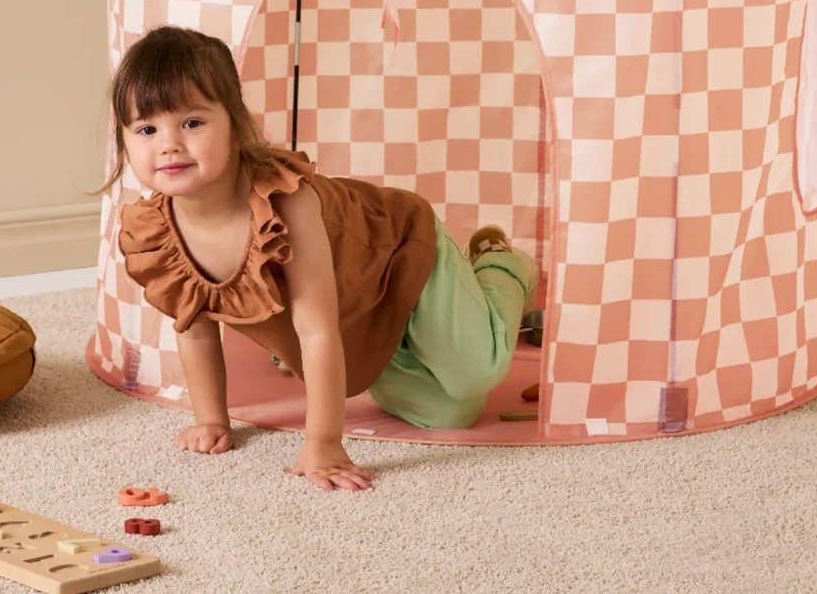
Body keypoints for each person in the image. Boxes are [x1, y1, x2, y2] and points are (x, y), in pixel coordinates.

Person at [98, 25, 538, 493]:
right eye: (147, 129)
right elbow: (195, 327)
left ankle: (500, 265)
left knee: (477, 373)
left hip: (401, 254)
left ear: (236, 125)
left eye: (192, 123)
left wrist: (323, 443)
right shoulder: (158, 232)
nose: (169, 144)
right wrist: (211, 419)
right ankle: (397, 341)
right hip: (356, 300)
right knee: (451, 412)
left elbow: (317, 330)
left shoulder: (287, 203)